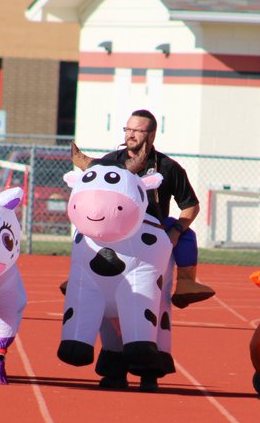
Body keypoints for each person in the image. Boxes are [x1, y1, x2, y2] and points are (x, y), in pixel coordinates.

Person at [71, 109, 214, 308]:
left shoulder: (168, 167)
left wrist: (175, 231)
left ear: (152, 135)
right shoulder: (108, 162)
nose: (130, 134)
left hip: (153, 227)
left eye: (137, 131)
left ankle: (185, 284)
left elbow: (191, 206)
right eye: (128, 129)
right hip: (116, 227)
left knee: (187, 234)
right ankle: (78, 276)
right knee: (83, 231)